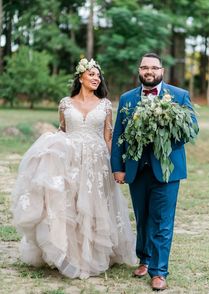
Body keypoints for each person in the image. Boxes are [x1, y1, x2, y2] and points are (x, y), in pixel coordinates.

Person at [12, 58, 136, 279]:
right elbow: (62, 131)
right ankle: (69, 253)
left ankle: (95, 253)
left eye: (98, 75)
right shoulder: (65, 103)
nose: (96, 78)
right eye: (91, 74)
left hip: (97, 162)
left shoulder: (106, 104)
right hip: (70, 160)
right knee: (71, 204)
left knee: (95, 205)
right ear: (81, 78)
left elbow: (108, 138)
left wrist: (116, 165)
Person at [111, 53, 199, 291]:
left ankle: (159, 271)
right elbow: (118, 134)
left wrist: (167, 126)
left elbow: (192, 130)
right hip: (136, 169)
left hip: (167, 172)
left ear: (162, 70)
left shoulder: (178, 96)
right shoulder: (127, 98)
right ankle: (144, 259)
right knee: (142, 218)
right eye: (144, 67)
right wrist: (117, 167)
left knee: (162, 221)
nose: (148, 71)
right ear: (139, 70)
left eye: (153, 68)